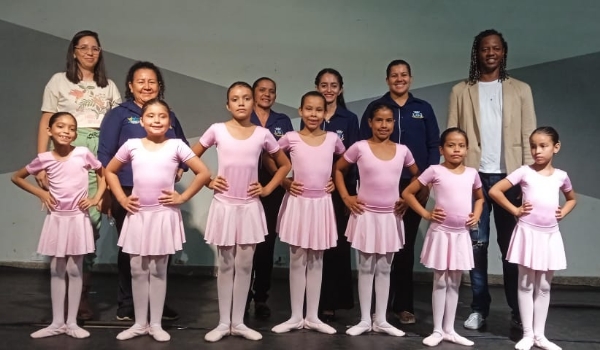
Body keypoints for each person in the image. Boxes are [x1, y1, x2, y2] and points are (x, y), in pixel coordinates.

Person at [447, 29, 537, 330]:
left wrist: (529, 180)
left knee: (511, 246)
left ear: (503, 52)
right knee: (477, 244)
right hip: (474, 177)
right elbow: (452, 136)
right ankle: (479, 308)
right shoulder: (461, 90)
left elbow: (529, 136)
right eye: (485, 48)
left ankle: (517, 309)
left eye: (496, 48)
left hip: (509, 178)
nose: (490, 53)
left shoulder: (520, 89)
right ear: (477, 52)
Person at [104, 99, 210, 342]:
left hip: (163, 216)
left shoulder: (176, 146)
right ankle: (140, 323)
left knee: (159, 270)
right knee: (138, 269)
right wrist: (121, 197)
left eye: (162, 116)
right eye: (150, 116)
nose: (156, 120)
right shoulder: (132, 145)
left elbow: (204, 172)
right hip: (138, 215)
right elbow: (110, 170)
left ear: (169, 122)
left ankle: (156, 323)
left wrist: (182, 196)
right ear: (141, 121)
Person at [193, 82, 291, 342]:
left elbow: (283, 164)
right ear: (228, 104)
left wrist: (268, 188)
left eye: (246, 98)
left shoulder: (262, 134)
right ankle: (224, 322)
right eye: (235, 98)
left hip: (249, 207)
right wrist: (207, 180)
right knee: (226, 265)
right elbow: (191, 156)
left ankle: (239, 321)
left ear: (252, 103)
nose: (241, 102)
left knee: (245, 265)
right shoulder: (217, 130)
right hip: (224, 205)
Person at [36, 30, 121, 320]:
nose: (89, 52)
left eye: (94, 48)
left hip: (99, 148)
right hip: (67, 147)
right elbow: (47, 121)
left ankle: (82, 293)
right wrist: (43, 162)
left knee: (92, 219)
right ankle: (68, 297)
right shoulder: (58, 81)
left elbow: (116, 125)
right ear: (73, 51)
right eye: (83, 47)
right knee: (67, 217)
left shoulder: (108, 86)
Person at [98, 61, 187, 321]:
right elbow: (105, 154)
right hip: (128, 192)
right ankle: (128, 304)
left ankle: (157, 305)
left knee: (162, 252)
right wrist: (109, 193)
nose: (146, 86)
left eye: (152, 82)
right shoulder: (119, 114)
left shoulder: (167, 113)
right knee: (132, 251)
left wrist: (181, 167)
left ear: (159, 86)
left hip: (161, 195)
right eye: (141, 81)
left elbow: (181, 146)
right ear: (130, 85)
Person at [360, 59, 440, 324]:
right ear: (387, 80)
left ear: (411, 78)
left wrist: (426, 183)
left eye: (404, 75)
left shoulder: (423, 108)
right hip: (380, 186)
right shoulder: (376, 108)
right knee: (375, 250)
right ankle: (372, 310)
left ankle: (402, 306)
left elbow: (432, 146)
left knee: (403, 248)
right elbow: (362, 146)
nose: (399, 79)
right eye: (394, 75)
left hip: (413, 185)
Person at [13, 112, 106, 338]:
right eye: (61, 127)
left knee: (75, 269)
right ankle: (56, 322)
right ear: (50, 131)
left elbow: (102, 175)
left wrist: (96, 198)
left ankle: (72, 323)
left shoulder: (83, 153)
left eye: (71, 128)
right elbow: (17, 177)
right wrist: (41, 194)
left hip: (78, 218)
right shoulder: (45, 158)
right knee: (56, 270)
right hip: (57, 219)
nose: (66, 131)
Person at [489, 127, 575, 350]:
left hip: (549, 235)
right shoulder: (524, 172)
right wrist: (515, 210)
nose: (537, 151)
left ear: (556, 147)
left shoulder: (561, 176)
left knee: (544, 285)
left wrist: (564, 211)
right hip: (528, 233)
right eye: (533, 146)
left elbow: (571, 199)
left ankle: (541, 335)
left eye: (543, 146)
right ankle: (527, 334)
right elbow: (495, 191)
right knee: (526, 284)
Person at [337, 103, 418, 337]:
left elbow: (417, 176)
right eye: (379, 120)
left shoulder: (403, 151)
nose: (384, 125)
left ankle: (381, 319)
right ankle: (364, 319)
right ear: (370, 123)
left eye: (389, 120)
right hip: (365, 215)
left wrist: (406, 197)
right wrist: (345, 197)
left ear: (394, 123)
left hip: (390, 217)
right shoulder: (360, 147)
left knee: (384, 268)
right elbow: (339, 169)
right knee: (365, 267)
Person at [271, 91, 344, 335]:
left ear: (326, 113)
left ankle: (312, 316)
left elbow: (342, 163)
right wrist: (283, 181)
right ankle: (294, 316)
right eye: (309, 109)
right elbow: (271, 157)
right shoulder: (290, 138)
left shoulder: (333, 139)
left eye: (318, 110)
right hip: (298, 203)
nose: (313, 114)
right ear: (300, 111)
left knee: (317, 260)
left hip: (321, 203)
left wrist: (335, 180)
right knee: (297, 258)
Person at [403, 128, 484, 347]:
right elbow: (408, 193)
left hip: (460, 235)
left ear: (467, 149)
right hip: (441, 233)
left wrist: (476, 215)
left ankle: (450, 329)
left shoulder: (471, 173)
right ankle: (437, 329)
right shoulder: (434, 171)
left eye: (460, 145)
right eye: (450, 145)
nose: (456, 149)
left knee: (455, 282)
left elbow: (479, 198)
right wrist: (427, 214)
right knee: (440, 280)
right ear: (441, 149)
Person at [311, 68, 359, 320]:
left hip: (340, 190)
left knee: (336, 245)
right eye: (323, 85)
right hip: (313, 190)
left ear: (340, 89)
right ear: (317, 87)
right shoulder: (312, 116)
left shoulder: (349, 119)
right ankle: (312, 301)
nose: (328, 90)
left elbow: (352, 157)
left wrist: (344, 190)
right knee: (315, 245)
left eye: (333, 85)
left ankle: (332, 300)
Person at [247, 77, 294, 318]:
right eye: (262, 90)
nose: (266, 94)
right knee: (245, 244)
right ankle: (241, 297)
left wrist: (282, 180)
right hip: (245, 187)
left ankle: (261, 297)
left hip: (274, 187)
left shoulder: (282, 120)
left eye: (271, 91)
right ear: (253, 93)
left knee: (266, 244)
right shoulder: (244, 115)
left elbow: (289, 155)